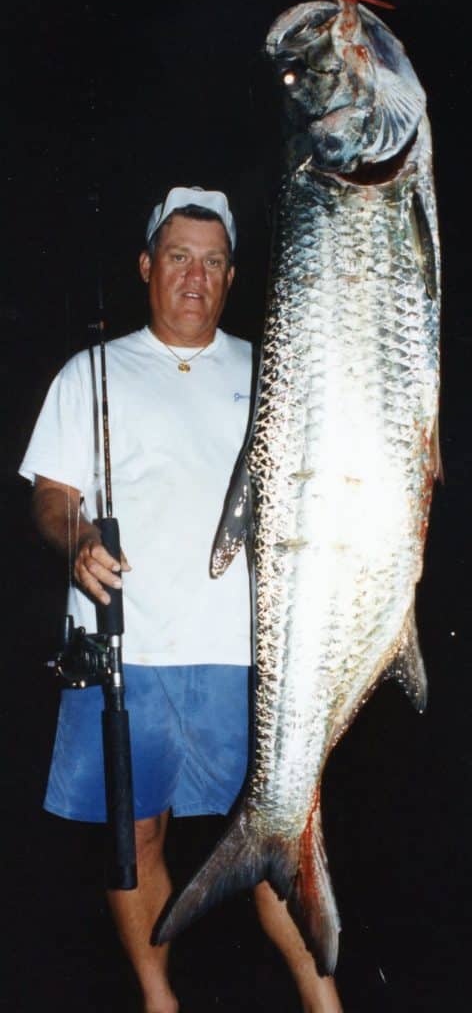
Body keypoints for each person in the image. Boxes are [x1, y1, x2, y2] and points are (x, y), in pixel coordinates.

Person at [20, 185, 343, 1013]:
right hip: (125, 651)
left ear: (231, 277)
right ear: (146, 267)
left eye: (212, 261)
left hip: (254, 653)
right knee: (135, 838)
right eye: (177, 257)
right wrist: (77, 536)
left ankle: (324, 1000)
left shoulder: (272, 373)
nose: (194, 277)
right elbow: (52, 493)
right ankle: (161, 1002)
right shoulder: (90, 370)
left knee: (281, 836)